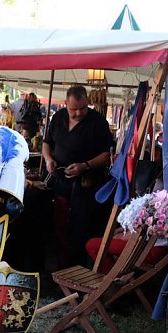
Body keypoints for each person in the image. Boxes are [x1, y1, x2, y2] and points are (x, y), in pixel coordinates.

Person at [42, 85, 114, 269]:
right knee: (58, 228)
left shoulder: (97, 122)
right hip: (60, 183)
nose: (78, 113)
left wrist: (85, 165)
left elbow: (107, 155)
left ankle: (79, 270)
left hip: (85, 186)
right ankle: (59, 270)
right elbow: (46, 144)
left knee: (80, 230)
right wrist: (49, 159)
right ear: (66, 103)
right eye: (74, 109)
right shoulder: (58, 117)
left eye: (83, 108)